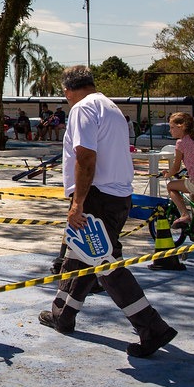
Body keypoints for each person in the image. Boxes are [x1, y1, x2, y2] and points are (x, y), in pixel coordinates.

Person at [39, 65, 177, 358]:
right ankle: (62, 313)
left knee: (106, 265)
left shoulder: (82, 109)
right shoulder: (110, 107)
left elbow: (85, 157)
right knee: (80, 257)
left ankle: (151, 326)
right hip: (118, 194)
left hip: (96, 197)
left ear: (67, 92)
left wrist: (78, 202)